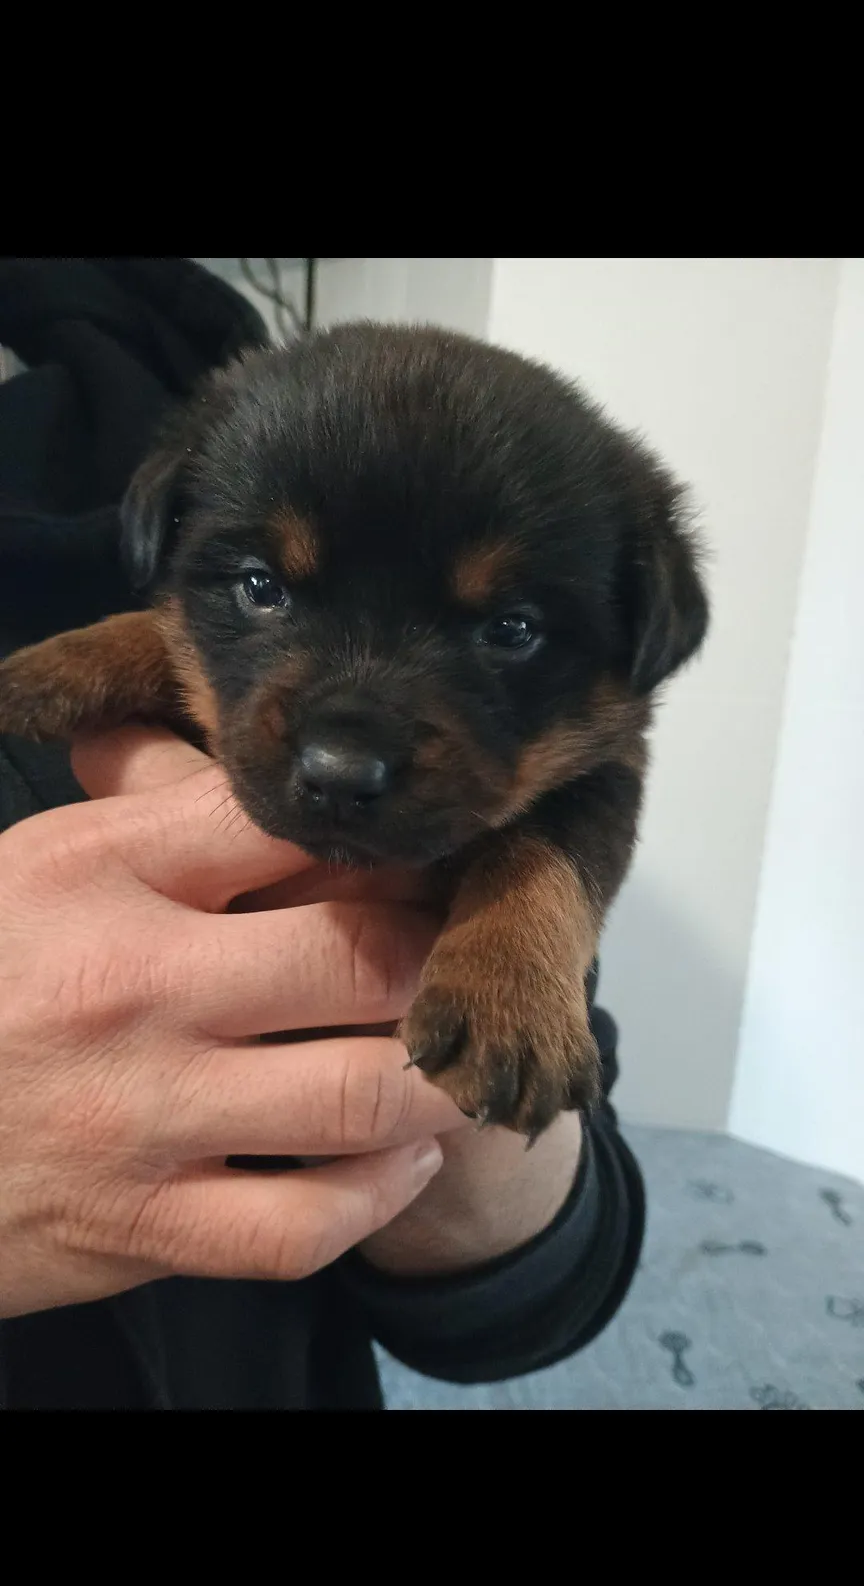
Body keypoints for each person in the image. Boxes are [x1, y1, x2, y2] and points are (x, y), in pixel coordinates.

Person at [0, 257, 644, 1410]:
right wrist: (133, 653)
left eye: (505, 627)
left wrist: (477, 1113)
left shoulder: (193, 374)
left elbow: (535, 1290)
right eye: (260, 590)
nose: (345, 752)